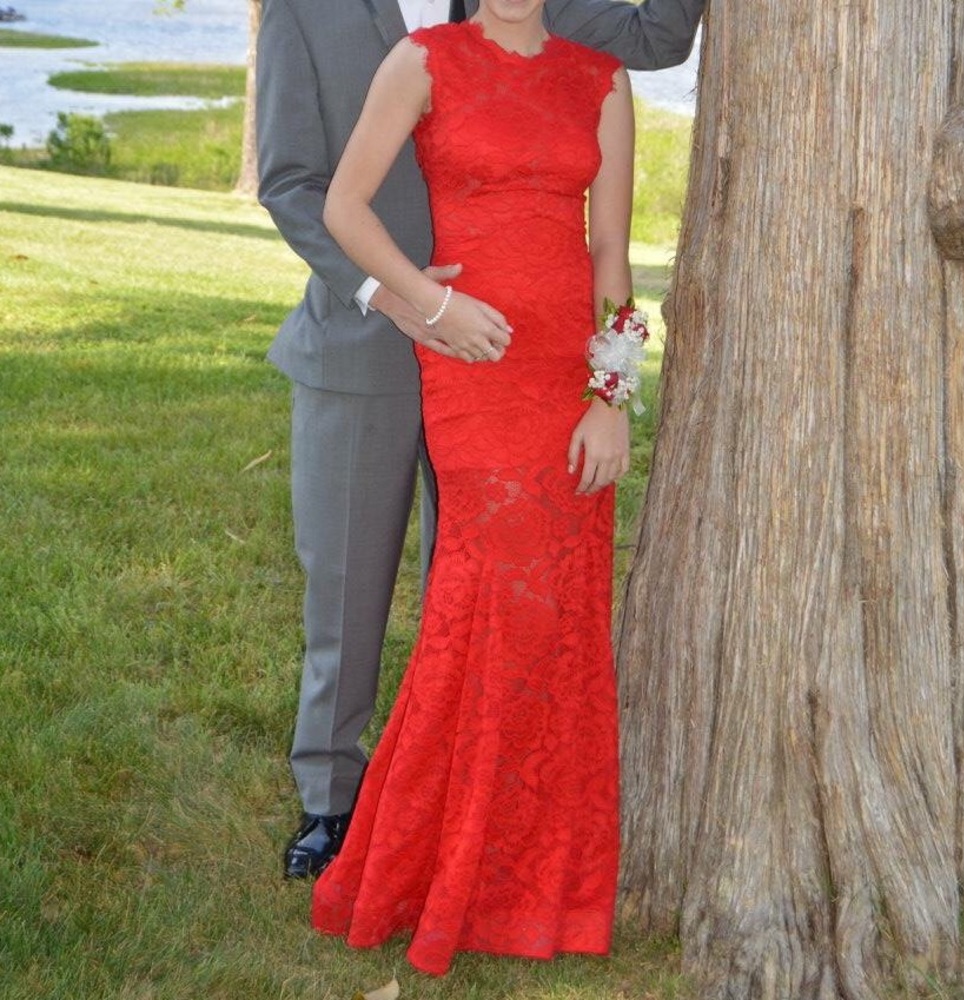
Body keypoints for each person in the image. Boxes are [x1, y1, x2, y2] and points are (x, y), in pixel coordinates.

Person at [256, 0, 704, 881]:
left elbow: (654, 41)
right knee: (346, 586)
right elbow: (293, 182)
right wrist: (401, 298)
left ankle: (456, 797)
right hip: (370, 335)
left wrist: (610, 385)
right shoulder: (307, 10)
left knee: (477, 595)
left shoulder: (536, 8)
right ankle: (332, 800)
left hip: (514, 365)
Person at [310, 0, 641, 974]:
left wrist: (609, 395)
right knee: (484, 603)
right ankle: (431, 869)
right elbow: (342, 207)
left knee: (560, 619)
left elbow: (611, 252)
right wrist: (429, 300)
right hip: (472, 364)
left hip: (562, 387)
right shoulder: (424, 59)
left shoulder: (601, 80)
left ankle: (545, 883)